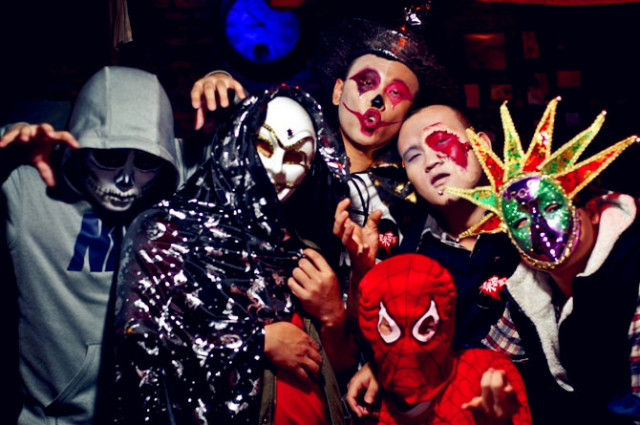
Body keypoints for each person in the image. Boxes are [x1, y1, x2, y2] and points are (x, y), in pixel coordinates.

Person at [111, 85, 354, 425]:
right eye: (265, 145)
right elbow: (139, 347)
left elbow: (341, 369)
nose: (279, 168)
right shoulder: (165, 232)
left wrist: (333, 315)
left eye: (297, 157)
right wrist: (257, 342)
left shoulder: (301, 247)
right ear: (236, 141)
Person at [190, 15, 461, 261]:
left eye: (396, 93)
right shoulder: (292, 158)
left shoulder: (411, 199)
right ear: (338, 92)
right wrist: (222, 90)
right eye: (367, 82)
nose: (377, 100)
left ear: (407, 114)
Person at [0, 66, 185, 425]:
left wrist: (223, 84)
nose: (126, 178)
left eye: (145, 161)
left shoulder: (173, 184)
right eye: (110, 157)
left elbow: (247, 161)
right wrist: (4, 147)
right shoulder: (29, 193)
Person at [444, 96, 640, 424]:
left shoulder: (633, 278)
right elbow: (482, 360)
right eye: (520, 221)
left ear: (592, 211)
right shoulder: (527, 290)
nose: (538, 228)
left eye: (551, 208)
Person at [333, 103, 523, 421]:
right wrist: (386, 362)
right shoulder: (411, 258)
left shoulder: (532, 226)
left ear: (482, 145)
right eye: (413, 156)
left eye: (441, 140)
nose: (431, 160)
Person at [355, 253, 531, 424]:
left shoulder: (491, 375)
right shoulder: (370, 403)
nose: (409, 347)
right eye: (391, 328)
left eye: (426, 327)